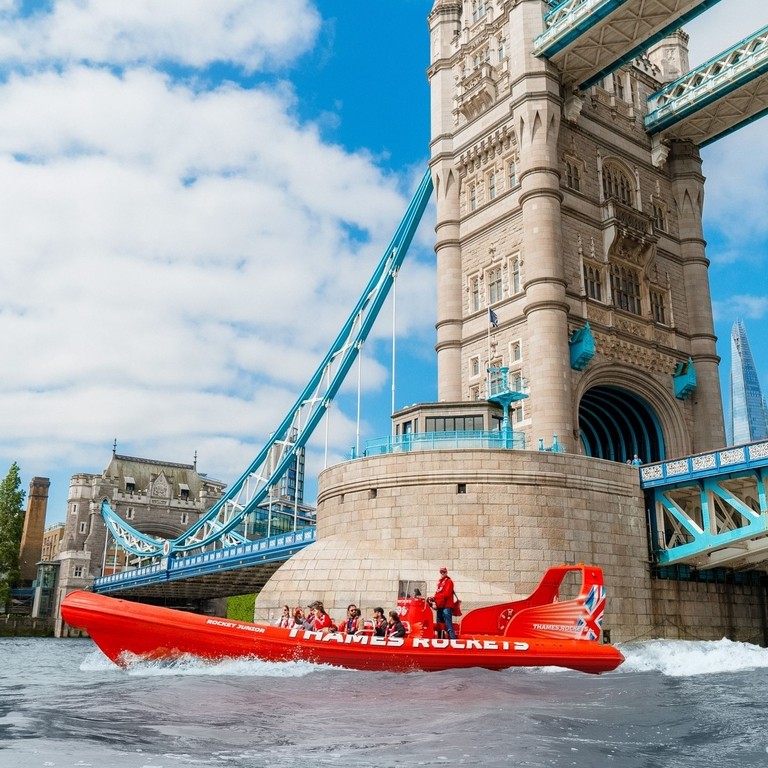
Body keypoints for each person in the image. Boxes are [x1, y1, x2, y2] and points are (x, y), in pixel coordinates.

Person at [429, 566, 457, 639]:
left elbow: (447, 594)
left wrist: (436, 597)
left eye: (444, 572)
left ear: (446, 573)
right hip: (440, 606)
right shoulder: (440, 583)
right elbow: (437, 594)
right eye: (441, 572)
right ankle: (440, 640)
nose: (442, 573)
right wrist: (433, 598)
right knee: (439, 626)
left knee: (448, 626)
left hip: (446, 607)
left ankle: (453, 641)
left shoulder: (449, 582)